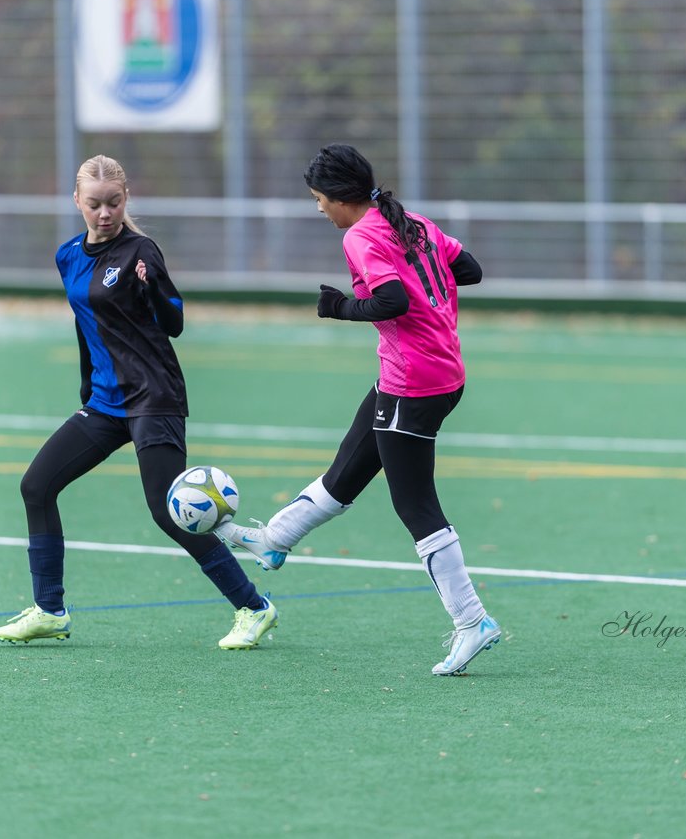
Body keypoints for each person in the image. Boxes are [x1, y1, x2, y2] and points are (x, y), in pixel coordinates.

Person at [214, 143, 502, 676]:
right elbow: (471, 269)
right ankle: (275, 540)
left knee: (416, 506)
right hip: (435, 372)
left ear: (342, 198)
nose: (319, 208)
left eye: (320, 199)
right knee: (348, 468)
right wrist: (426, 281)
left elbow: (392, 301)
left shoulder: (362, 234)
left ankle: (472, 622)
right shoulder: (411, 221)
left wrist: (338, 307)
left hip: (413, 382)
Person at [0, 154, 277, 650]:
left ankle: (254, 607)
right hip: (104, 403)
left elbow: (174, 323)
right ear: (76, 202)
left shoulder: (141, 251)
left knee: (167, 511)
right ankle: (50, 609)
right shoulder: (68, 256)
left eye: (114, 203)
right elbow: (87, 328)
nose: (105, 213)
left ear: (127, 199)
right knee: (36, 486)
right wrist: (87, 385)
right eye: (95, 204)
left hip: (154, 397)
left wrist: (154, 289)